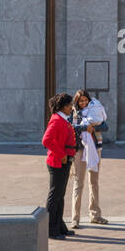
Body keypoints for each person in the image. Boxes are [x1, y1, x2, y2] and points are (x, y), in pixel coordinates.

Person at [70, 89, 108, 228]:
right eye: (81, 101)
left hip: (95, 148)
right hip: (80, 149)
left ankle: (95, 215)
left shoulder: (94, 109)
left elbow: (104, 126)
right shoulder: (73, 112)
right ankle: (75, 218)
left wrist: (93, 126)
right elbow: (70, 128)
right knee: (78, 183)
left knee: (94, 182)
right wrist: (85, 127)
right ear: (77, 101)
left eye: (86, 100)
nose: (84, 103)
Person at [42, 94, 76, 240]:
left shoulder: (63, 118)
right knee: (55, 196)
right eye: (70, 105)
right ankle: (51, 230)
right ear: (63, 106)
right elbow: (46, 140)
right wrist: (62, 154)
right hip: (57, 162)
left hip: (64, 161)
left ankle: (59, 227)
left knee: (60, 196)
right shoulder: (57, 119)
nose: (72, 108)